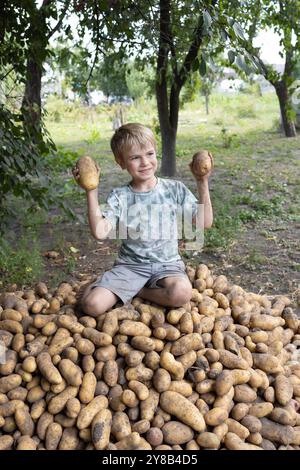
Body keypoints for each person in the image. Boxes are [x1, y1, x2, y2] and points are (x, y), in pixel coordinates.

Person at [73, 123, 213, 317]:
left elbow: (204, 223)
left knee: (182, 293)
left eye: (149, 154)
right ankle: (110, 286)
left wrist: (202, 181)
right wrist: (91, 190)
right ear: (121, 162)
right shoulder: (120, 196)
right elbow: (100, 232)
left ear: (156, 153)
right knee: (91, 306)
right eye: (135, 158)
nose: (145, 162)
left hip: (167, 266)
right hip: (130, 267)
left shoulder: (175, 189)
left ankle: (138, 291)